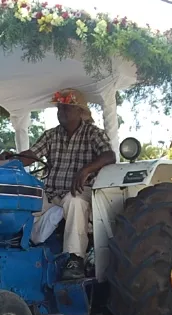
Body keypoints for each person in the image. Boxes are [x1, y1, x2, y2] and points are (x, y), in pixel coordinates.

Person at [0, 89, 116, 280]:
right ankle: (22, 248)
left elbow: (109, 155)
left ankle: (74, 259)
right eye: (59, 108)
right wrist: (8, 159)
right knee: (22, 205)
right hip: (52, 192)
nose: (61, 112)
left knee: (75, 201)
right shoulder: (51, 135)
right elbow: (31, 155)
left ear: (80, 111)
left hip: (80, 191)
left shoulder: (93, 133)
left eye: (67, 108)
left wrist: (86, 170)